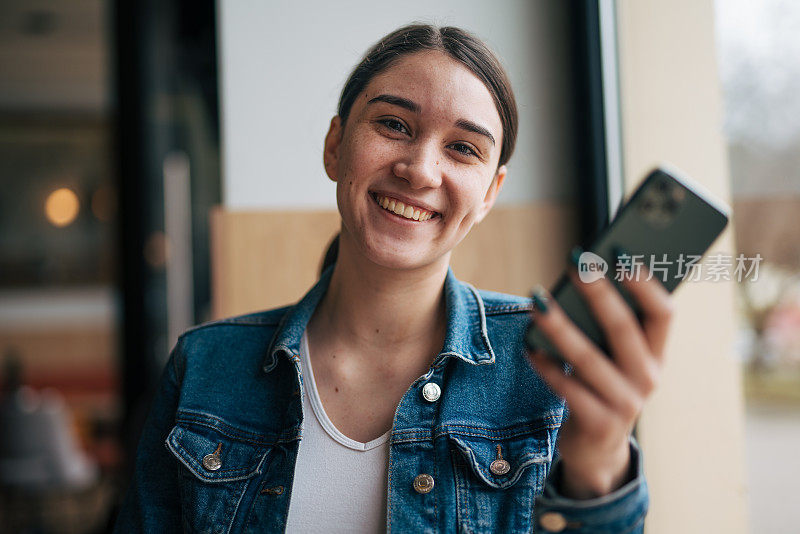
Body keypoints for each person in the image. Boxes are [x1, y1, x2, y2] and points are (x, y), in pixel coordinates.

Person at [114, 23, 673, 533]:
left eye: (462, 148)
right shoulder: (203, 370)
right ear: (336, 146)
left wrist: (600, 467)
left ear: (489, 195)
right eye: (393, 124)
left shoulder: (549, 365)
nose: (420, 170)